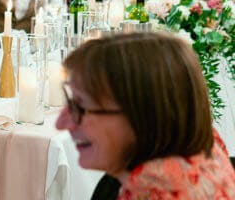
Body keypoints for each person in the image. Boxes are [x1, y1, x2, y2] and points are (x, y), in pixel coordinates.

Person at [56, 32, 235, 198]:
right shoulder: (202, 144)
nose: (61, 123)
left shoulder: (153, 190)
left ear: (143, 116)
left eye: (80, 107)